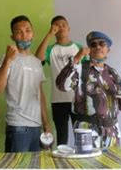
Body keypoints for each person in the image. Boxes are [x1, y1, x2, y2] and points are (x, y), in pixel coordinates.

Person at [56, 31, 121, 149]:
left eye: (102, 44)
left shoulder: (113, 73)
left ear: (108, 50)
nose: (97, 46)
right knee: (89, 164)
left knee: (113, 165)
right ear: (89, 49)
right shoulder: (80, 69)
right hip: (87, 130)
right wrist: (77, 58)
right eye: (93, 44)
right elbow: (62, 85)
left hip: (111, 131)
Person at [0, 16, 51, 153]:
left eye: (28, 30)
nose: (24, 35)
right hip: (17, 126)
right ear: (13, 37)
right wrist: (7, 60)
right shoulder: (6, 59)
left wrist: (46, 124)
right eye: (19, 32)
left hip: (36, 127)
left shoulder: (37, 62)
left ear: (33, 33)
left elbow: (40, 94)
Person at [35, 15, 84, 146]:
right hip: (58, 101)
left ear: (69, 28)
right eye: (56, 26)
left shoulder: (79, 48)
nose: (60, 27)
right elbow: (38, 58)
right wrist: (49, 34)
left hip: (78, 100)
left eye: (63, 25)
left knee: (81, 138)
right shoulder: (51, 50)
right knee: (62, 139)